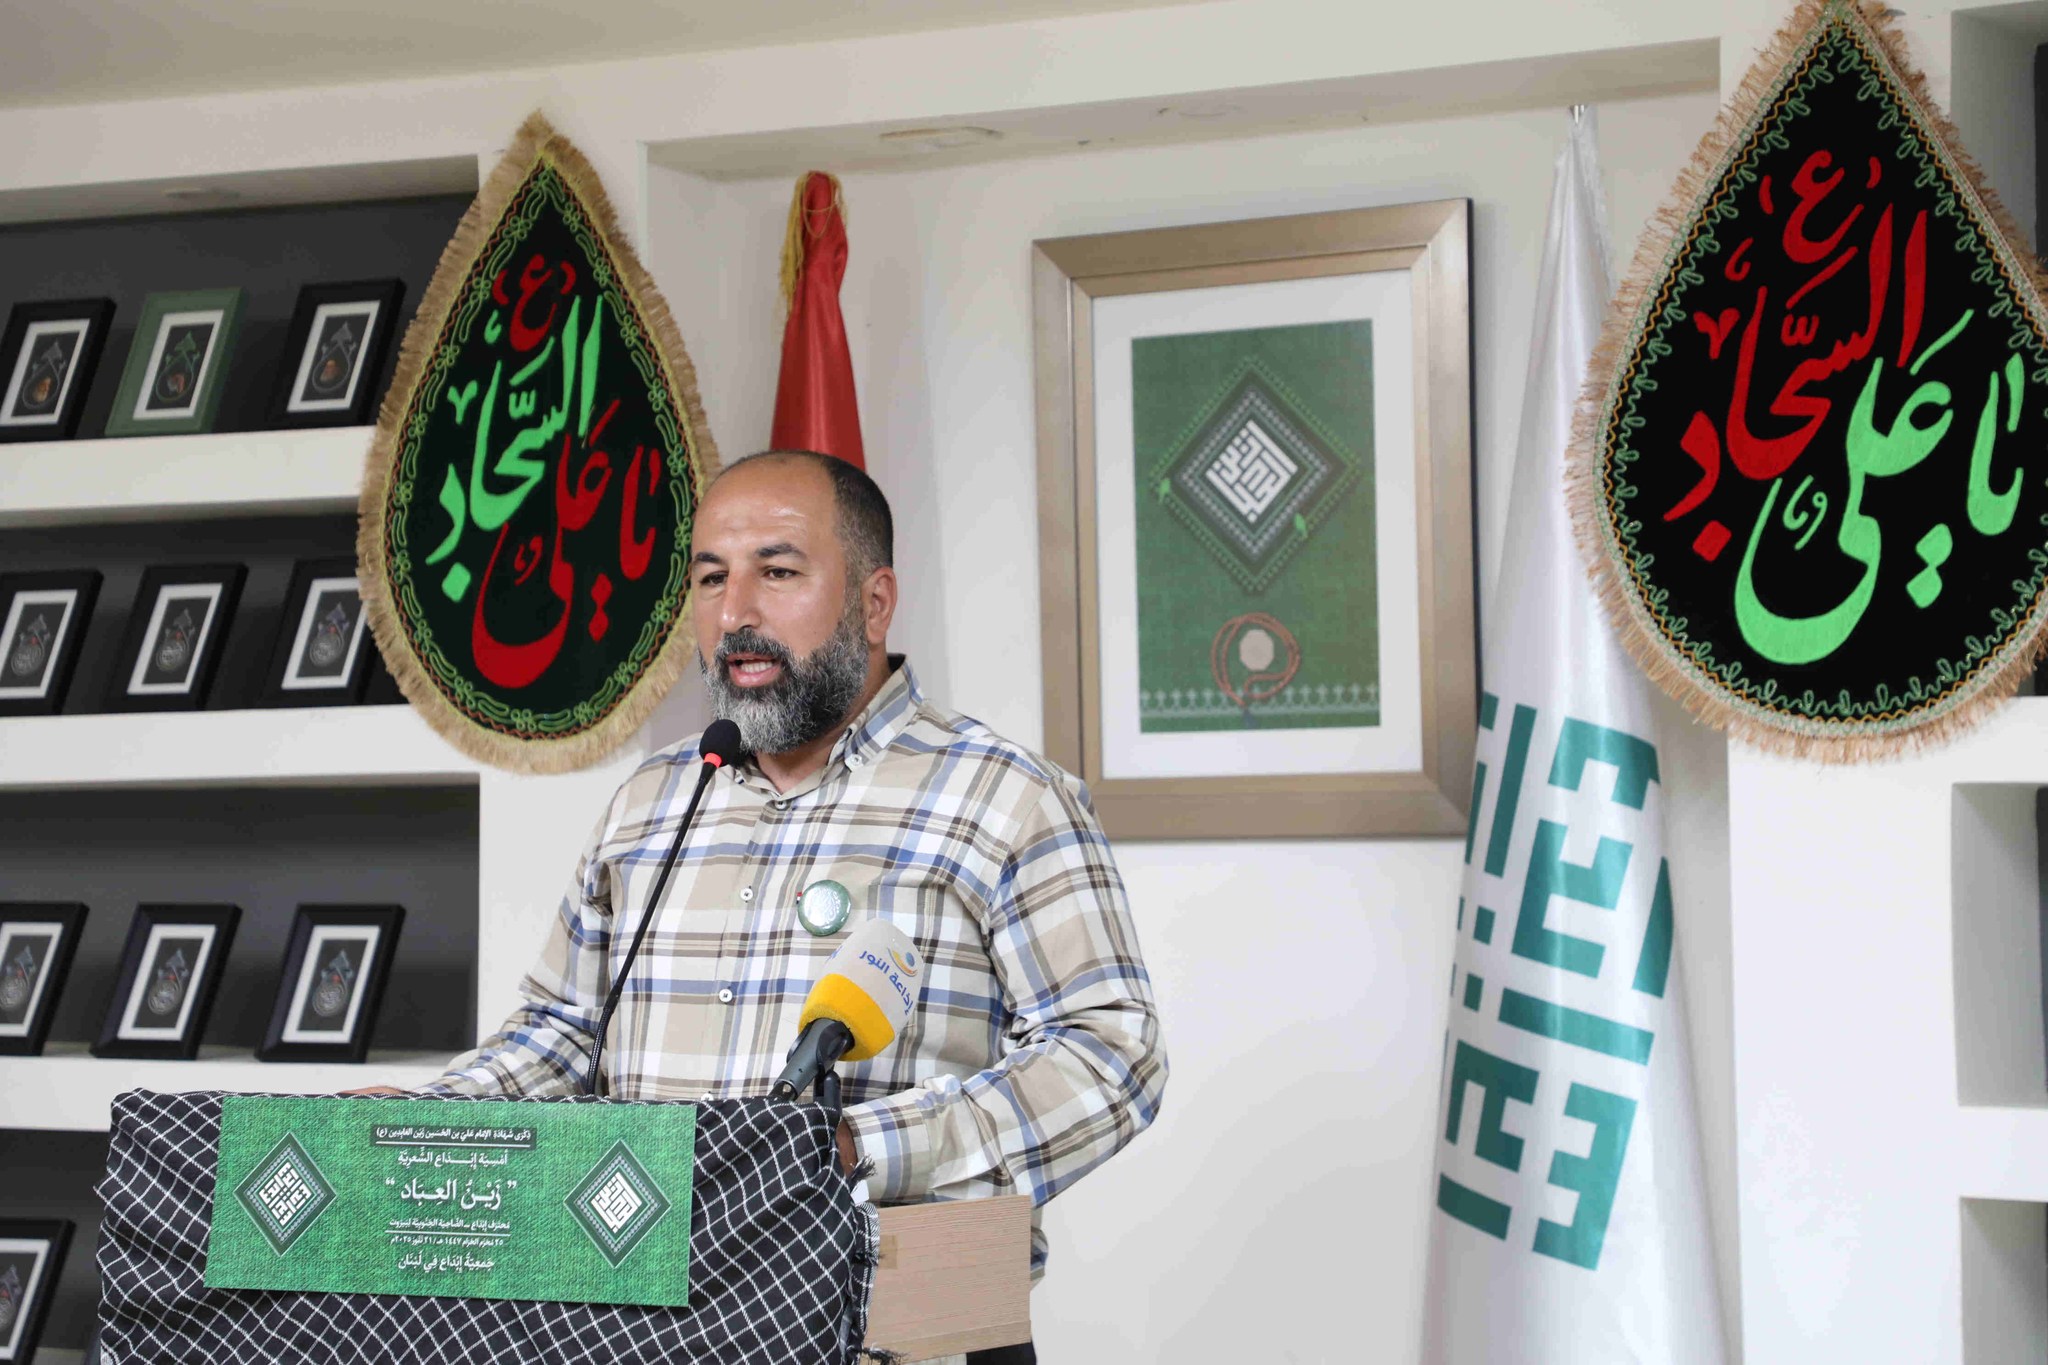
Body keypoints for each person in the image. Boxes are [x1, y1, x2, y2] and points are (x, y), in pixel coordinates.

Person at [402, 449, 1169, 1365]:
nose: (735, 614)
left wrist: (857, 1144)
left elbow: (1111, 1053)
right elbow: (564, 1033)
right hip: (633, 1326)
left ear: (874, 602)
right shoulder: (651, 802)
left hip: (901, 1332)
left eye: (777, 571)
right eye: (711, 578)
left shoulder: (1006, 796)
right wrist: (412, 1124)